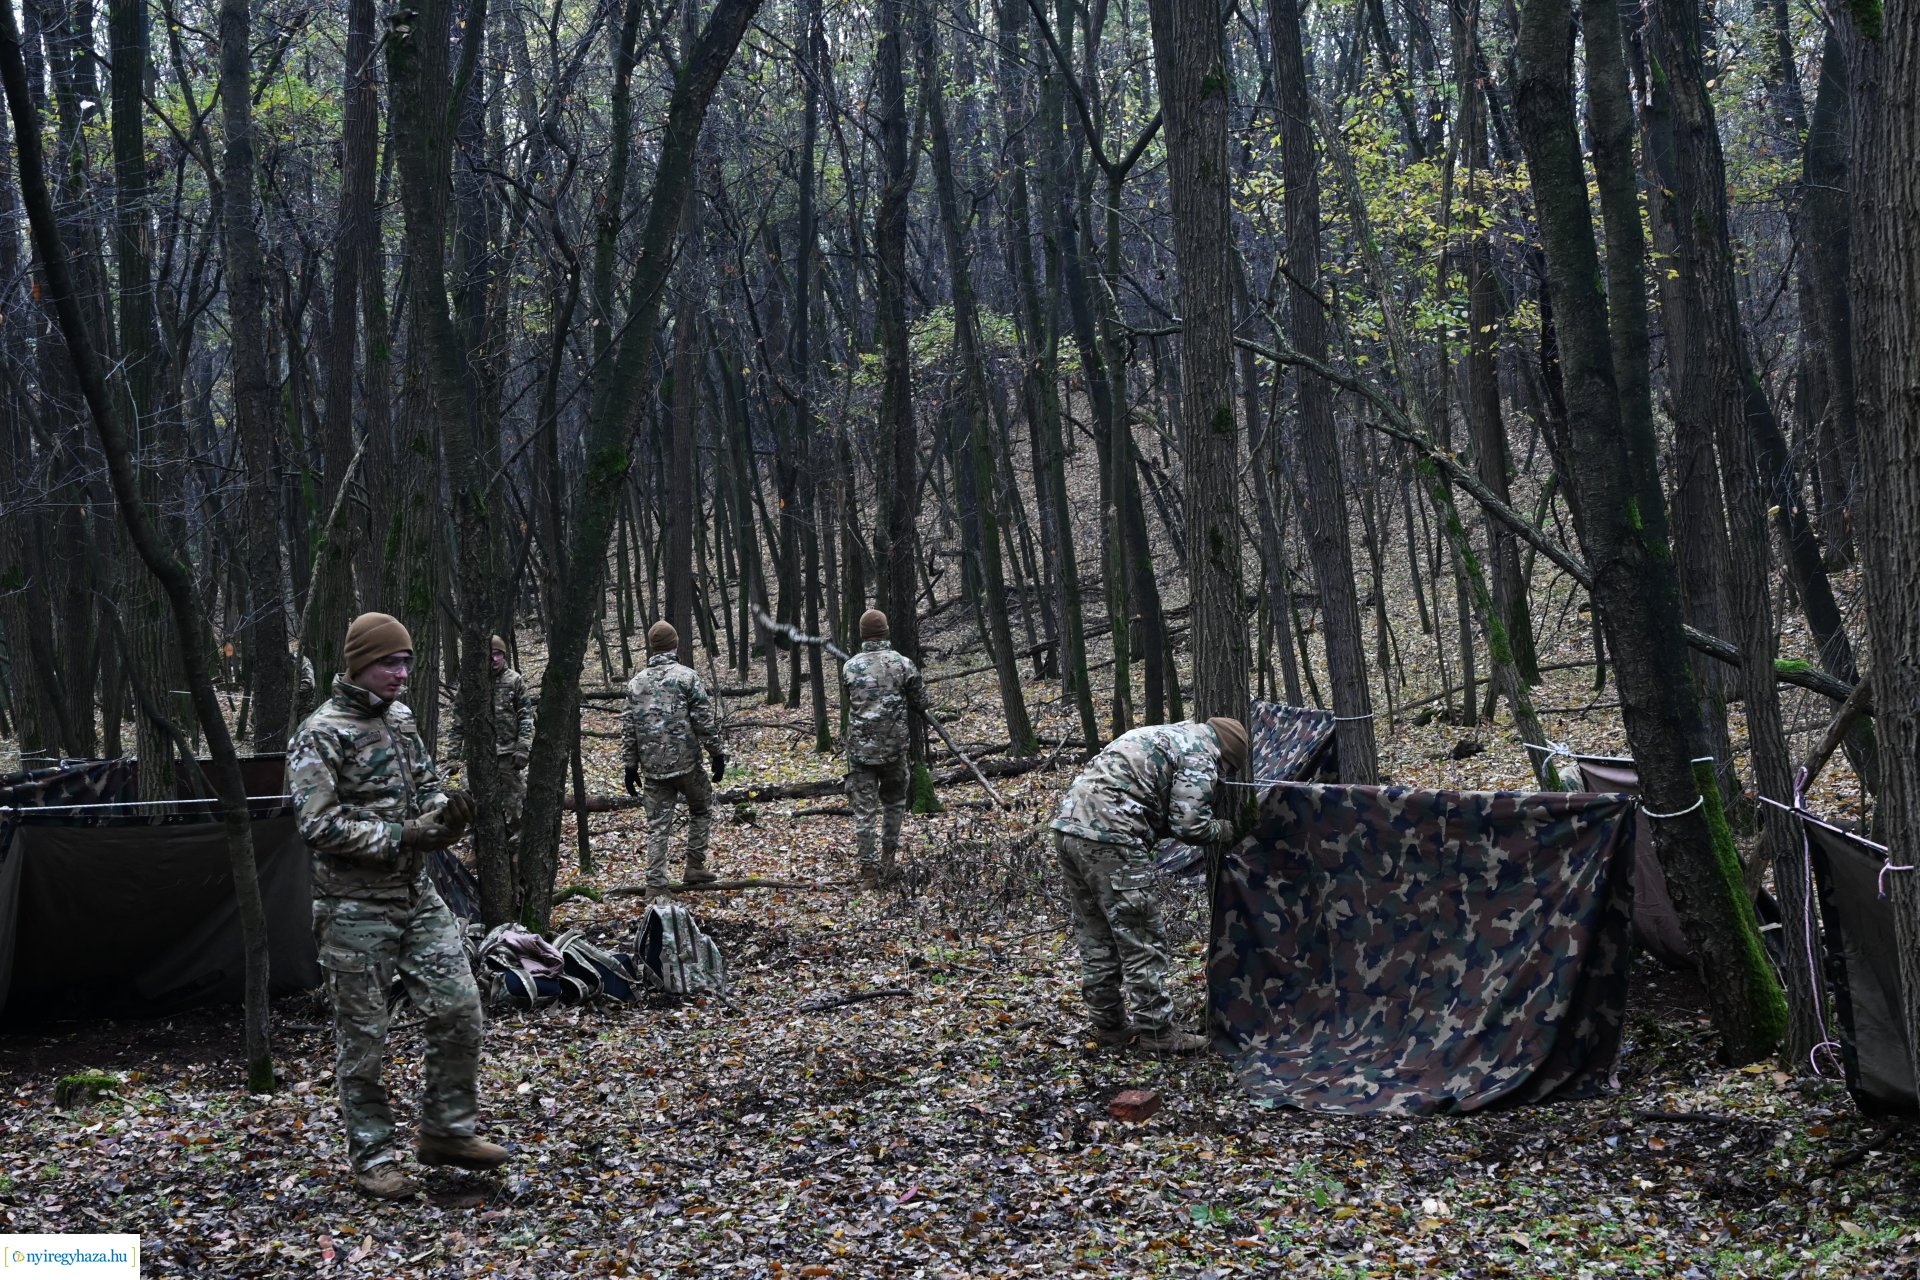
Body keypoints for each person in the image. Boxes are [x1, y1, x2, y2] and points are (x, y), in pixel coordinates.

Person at [287, 611, 510, 1199]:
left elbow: (427, 787)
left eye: (407, 661)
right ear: (360, 663)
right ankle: (373, 1157)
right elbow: (317, 824)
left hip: (417, 897)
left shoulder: (403, 720)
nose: (402, 672)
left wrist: (445, 816)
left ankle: (446, 1132)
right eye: (391, 661)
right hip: (352, 909)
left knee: (460, 1008)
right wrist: (402, 835)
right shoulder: (321, 732)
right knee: (364, 1038)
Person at [1048, 716, 1250, 1054]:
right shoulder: (1202, 753)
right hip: (1113, 838)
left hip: (1069, 830)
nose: (1223, 779)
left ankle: (1108, 1025)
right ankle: (1157, 1033)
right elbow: (1190, 825)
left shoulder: (1163, 733)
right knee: (1141, 937)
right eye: (1228, 771)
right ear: (1226, 755)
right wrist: (1227, 831)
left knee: (1096, 935)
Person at [623, 621, 726, 892]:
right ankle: (694, 865)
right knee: (702, 808)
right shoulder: (687, 677)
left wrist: (630, 767)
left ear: (652, 646)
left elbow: (629, 728)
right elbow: (703, 720)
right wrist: (717, 753)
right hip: (687, 764)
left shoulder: (635, 684)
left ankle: (656, 885)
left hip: (653, 768)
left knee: (658, 827)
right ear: (675, 644)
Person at [840, 608, 929, 887]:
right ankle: (888, 861)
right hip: (893, 750)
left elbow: (850, 698)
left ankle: (868, 872)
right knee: (894, 804)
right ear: (886, 631)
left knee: (864, 812)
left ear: (862, 634)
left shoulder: (850, 667)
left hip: (860, 754)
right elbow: (922, 701)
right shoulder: (903, 664)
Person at [450, 635, 534, 844]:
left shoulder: (514, 680)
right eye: (490, 655)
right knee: (471, 798)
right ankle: (475, 843)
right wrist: (452, 755)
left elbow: (525, 715)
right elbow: (458, 720)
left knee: (515, 800)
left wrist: (523, 747)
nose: (494, 659)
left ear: (504, 656)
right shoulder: (472, 683)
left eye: (498, 654)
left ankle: (516, 845)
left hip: (508, 752)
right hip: (478, 754)